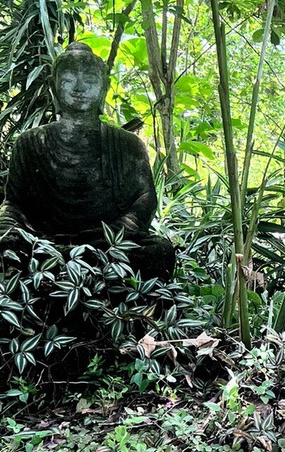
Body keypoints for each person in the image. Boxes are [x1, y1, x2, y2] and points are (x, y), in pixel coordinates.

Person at [0, 42, 175, 280]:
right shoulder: (30, 142)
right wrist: (7, 227)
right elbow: (14, 203)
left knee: (160, 251)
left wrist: (113, 234)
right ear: (53, 87)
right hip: (43, 243)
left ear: (104, 87)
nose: (80, 87)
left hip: (107, 245)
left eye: (90, 79)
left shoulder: (128, 144)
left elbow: (144, 200)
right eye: (69, 79)